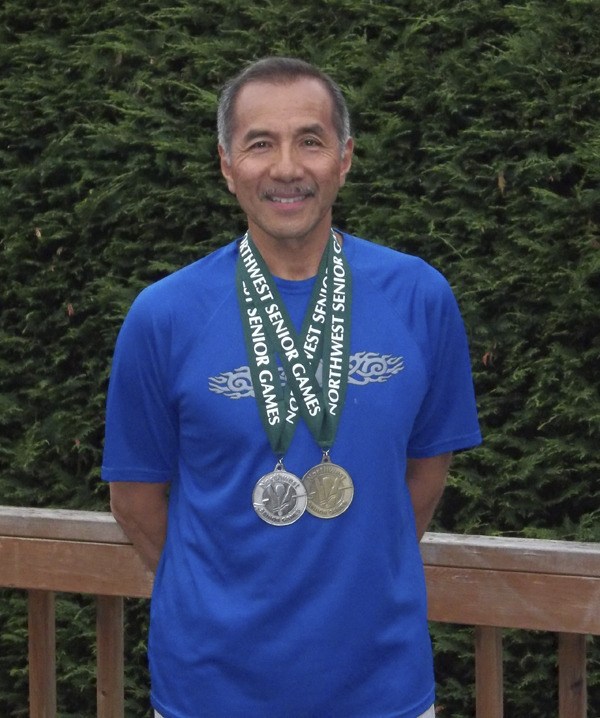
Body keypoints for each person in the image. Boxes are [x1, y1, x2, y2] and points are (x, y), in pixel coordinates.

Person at [102, 56, 482, 718]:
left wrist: (360, 569)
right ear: (226, 165)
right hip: (210, 690)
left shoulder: (421, 297)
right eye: (259, 143)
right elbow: (135, 502)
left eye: (310, 140)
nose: (286, 168)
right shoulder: (163, 316)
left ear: (345, 158)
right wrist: (220, 596)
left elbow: (424, 476)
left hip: (381, 687)